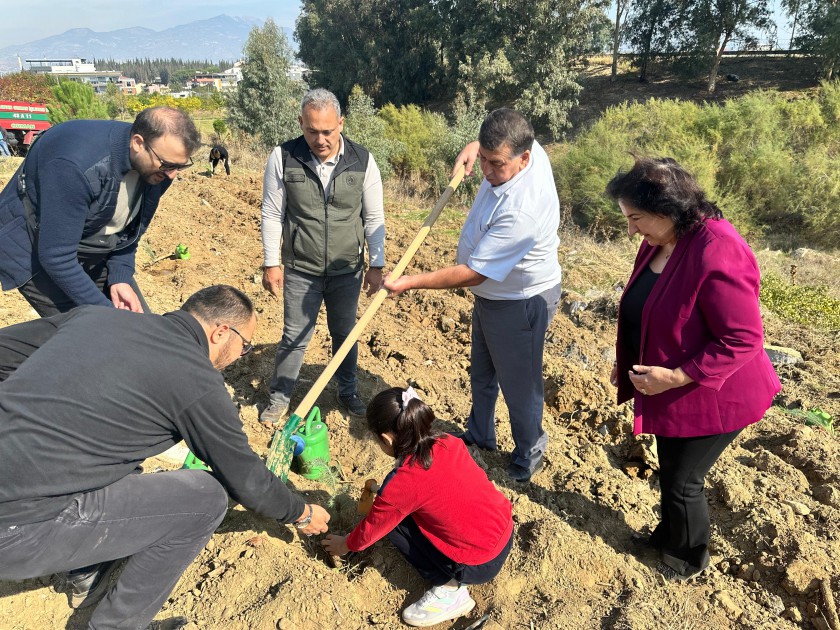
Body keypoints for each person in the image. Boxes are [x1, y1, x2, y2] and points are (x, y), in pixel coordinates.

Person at [0, 285, 330, 628]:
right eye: (245, 347)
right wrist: (301, 511)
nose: (241, 355)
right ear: (220, 333)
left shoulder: (94, 317)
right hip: (16, 528)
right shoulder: (198, 382)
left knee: (123, 453)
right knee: (206, 500)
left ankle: (86, 568)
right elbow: (246, 478)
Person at [606, 155, 781, 580]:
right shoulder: (658, 240)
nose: (631, 230)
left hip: (715, 393)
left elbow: (743, 337)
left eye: (636, 218)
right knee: (672, 472)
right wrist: (625, 360)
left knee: (685, 481)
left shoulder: (718, 248)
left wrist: (678, 376)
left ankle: (686, 560)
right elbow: (646, 307)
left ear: (667, 210)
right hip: (671, 390)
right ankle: (668, 536)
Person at [384, 108, 562, 482]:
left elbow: (474, 273)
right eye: (482, 159)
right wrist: (472, 148)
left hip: (520, 302)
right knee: (481, 372)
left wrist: (410, 282)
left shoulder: (523, 210)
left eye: (495, 164)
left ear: (523, 158)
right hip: (493, 297)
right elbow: (495, 142)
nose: (486, 171)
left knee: (519, 385)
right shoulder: (521, 146)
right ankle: (480, 435)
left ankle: (528, 454)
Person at [322, 386, 513, 627]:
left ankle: (449, 590)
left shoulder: (401, 485)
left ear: (387, 439)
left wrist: (345, 544)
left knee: (392, 524)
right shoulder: (447, 441)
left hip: (479, 562)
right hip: (504, 530)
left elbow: (370, 531)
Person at [0, 106, 201, 317]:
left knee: (141, 330)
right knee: (91, 337)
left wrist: (120, 276)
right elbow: (56, 256)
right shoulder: (75, 166)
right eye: (168, 165)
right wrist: (108, 318)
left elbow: (131, 231)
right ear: (138, 143)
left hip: (90, 244)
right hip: (36, 248)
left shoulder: (158, 170)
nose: (172, 176)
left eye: (180, 166)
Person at [260, 88, 385, 425]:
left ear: (340, 124)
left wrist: (378, 264)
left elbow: (373, 218)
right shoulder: (283, 157)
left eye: (327, 131)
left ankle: (348, 391)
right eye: (311, 130)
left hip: (347, 270)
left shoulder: (363, 161)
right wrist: (272, 262)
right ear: (301, 123)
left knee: (345, 333)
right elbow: (272, 213)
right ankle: (280, 397)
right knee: (294, 336)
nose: (320, 139)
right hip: (301, 268)